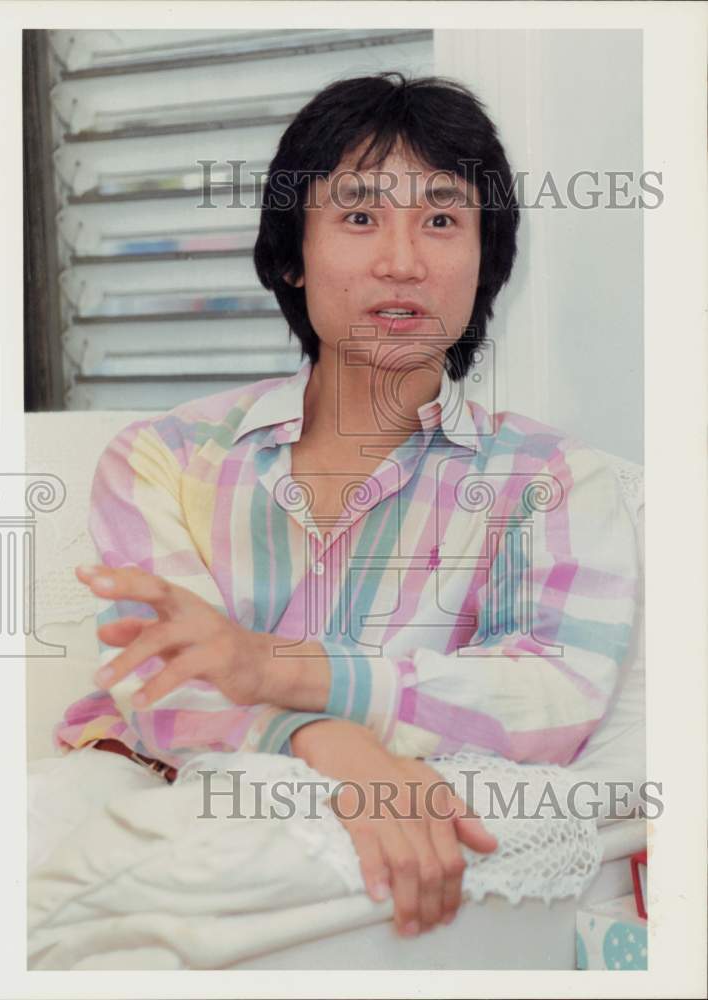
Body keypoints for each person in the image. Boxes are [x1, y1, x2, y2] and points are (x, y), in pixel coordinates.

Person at [40, 74, 639, 941]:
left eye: (441, 219)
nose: (402, 260)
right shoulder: (163, 457)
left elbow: (552, 698)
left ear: (486, 260)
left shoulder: (551, 480)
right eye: (359, 216)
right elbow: (160, 690)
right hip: (134, 798)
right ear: (293, 254)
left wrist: (275, 669)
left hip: (322, 882)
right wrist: (336, 743)